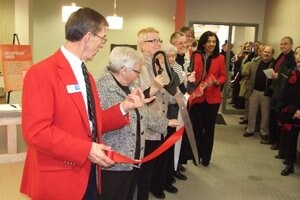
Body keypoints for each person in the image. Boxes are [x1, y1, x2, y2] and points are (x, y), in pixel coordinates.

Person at [20, 8, 147, 200]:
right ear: (89, 37)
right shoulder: (41, 73)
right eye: (103, 39)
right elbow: (36, 132)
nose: (102, 45)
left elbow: (92, 123)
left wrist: (124, 107)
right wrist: (86, 149)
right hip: (59, 178)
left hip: (89, 174)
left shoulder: (86, 75)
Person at [96, 46, 178, 200]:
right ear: (123, 69)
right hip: (113, 164)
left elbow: (141, 114)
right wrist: (124, 108)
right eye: (137, 71)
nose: (139, 75)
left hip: (131, 160)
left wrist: (166, 123)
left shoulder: (131, 86)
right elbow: (101, 123)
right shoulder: (102, 88)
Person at [136, 27, 171, 200]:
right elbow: (140, 97)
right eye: (153, 41)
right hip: (147, 125)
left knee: (153, 166)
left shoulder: (160, 65)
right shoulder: (138, 67)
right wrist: (155, 88)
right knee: (144, 169)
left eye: (159, 40)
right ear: (141, 45)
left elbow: (169, 97)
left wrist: (187, 86)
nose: (158, 44)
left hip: (160, 123)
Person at [189, 31, 227, 167]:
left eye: (214, 42)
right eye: (209, 41)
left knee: (209, 129)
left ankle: (206, 158)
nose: (211, 44)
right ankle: (196, 154)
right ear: (203, 43)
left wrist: (217, 81)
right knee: (197, 128)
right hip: (198, 98)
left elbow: (224, 76)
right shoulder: (196, 55)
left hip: (213, 98)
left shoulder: (221, 58)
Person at [269, 36, 296, 152]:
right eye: (281, 44)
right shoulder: (281, 55)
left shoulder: (291, 58)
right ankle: (273, 139)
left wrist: (278, 75)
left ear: (291, 45)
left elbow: (288, 74)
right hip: (276, 89)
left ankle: (278, 143)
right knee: (274, 115)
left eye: (285, 44)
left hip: (284, 93)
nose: (282, 46)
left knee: (280, 117)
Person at [243, 45, 275, 143]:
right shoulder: (255, 63)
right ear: (262, 53)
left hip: (266, 93)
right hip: (254, 91)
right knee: (252, 112)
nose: (266, 54)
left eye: (269, 52)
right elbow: (249, 75)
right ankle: (250, 130)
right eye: (265, 52)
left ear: (272, 54)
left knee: (265, 114)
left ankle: (264, 132)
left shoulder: (274, 64)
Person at [277, 46, 300, 176]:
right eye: (297, 54)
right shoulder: (293, 71)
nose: (298, 56)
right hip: (291, 109)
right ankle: (290, 163)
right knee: (291, 138)